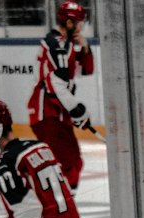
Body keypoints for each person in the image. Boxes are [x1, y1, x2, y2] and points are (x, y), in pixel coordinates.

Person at [27, 0, 94, 193]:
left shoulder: (64, 44)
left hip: (54, 115)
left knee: (71, 163)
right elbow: (55, 84)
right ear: (70, 23)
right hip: (48, 114)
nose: (82, 27)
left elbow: (83, 70)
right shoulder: (58, 45)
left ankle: (62, 213)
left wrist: (86, 47)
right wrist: (76, 110)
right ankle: (59, 215)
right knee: (68, 164)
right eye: (80, 22)